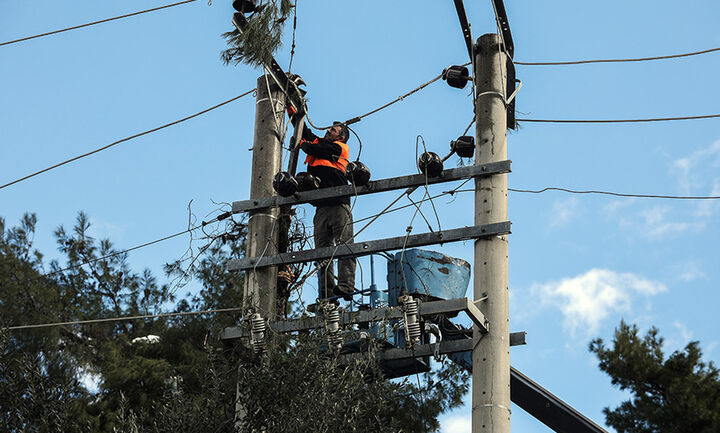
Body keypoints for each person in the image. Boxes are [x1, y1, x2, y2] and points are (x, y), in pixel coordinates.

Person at [296, 122, 356, 301]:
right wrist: (295, 112)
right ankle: (327, 293)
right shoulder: (321, 143)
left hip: (338, 204)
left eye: (333, 130)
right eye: (329, 128)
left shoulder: (339, 148)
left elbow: (316, 150)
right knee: (322, 252)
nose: (328, 130)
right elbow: (305, 132)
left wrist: (302, 144)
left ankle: (346, 285)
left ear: (341, 137)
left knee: (344, 244)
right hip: (321, 207)